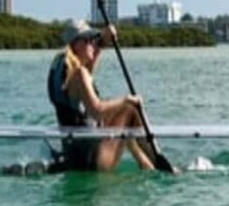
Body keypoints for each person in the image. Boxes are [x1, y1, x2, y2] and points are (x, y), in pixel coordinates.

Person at [47, 19, 155, 171]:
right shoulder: (79, 74)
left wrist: (103, 41)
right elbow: (97, 111)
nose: (93, 44)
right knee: (131, 110)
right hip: (92, 159)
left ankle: (146, 164)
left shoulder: (61, 67)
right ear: (77, 44)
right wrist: (126, 100)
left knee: (121, 119)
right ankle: (158, 161)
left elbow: (89, 70)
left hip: (74, 155)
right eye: (89, 40)